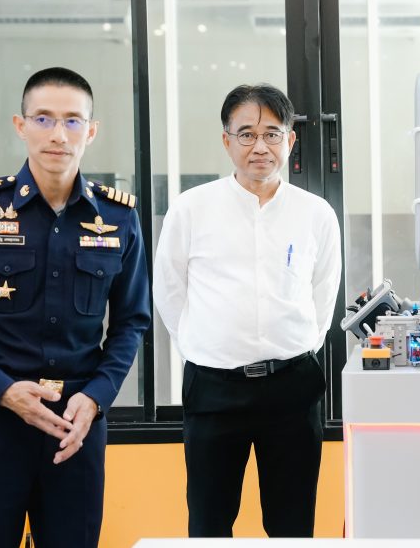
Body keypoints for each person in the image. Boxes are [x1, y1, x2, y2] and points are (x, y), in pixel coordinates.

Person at [0, 67, 151, 548]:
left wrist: (96, 397)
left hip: (76, 425)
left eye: (73, 121)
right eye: (43, 118)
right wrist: (3, 390)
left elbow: (132, 322)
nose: (58, 134)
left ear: (91, 130)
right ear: (20, 125)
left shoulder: (118, 218)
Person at [153, 83, 341, 538]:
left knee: (292, 523)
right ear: (227, 141)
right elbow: (169, 290)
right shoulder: (191, 208)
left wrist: (296, 346)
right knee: (210, 523)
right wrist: (201, 346)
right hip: (214, 388)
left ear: (290, 140)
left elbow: (324, 294)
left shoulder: (315, 213)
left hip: (292, 387)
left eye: (272, 134)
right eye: (247, 134)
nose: (260, 146)